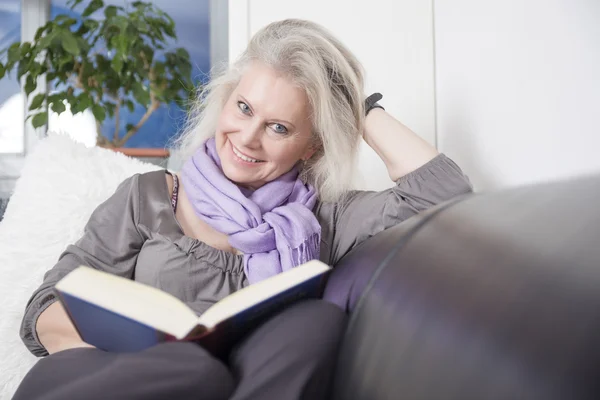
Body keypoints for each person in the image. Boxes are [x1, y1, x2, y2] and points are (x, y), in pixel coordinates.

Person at [14, 19, 472, 400]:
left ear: (312, 145)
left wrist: (357, 109)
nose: (248, 137)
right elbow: (45, 305)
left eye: (278, 126)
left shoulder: (323, 220)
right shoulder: (150, 196)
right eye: (243, 107)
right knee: (193, 370)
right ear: (225, 101)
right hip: (100, 380)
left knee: (315, 324)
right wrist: (104, 356)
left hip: (235, 385)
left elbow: (443, 194)